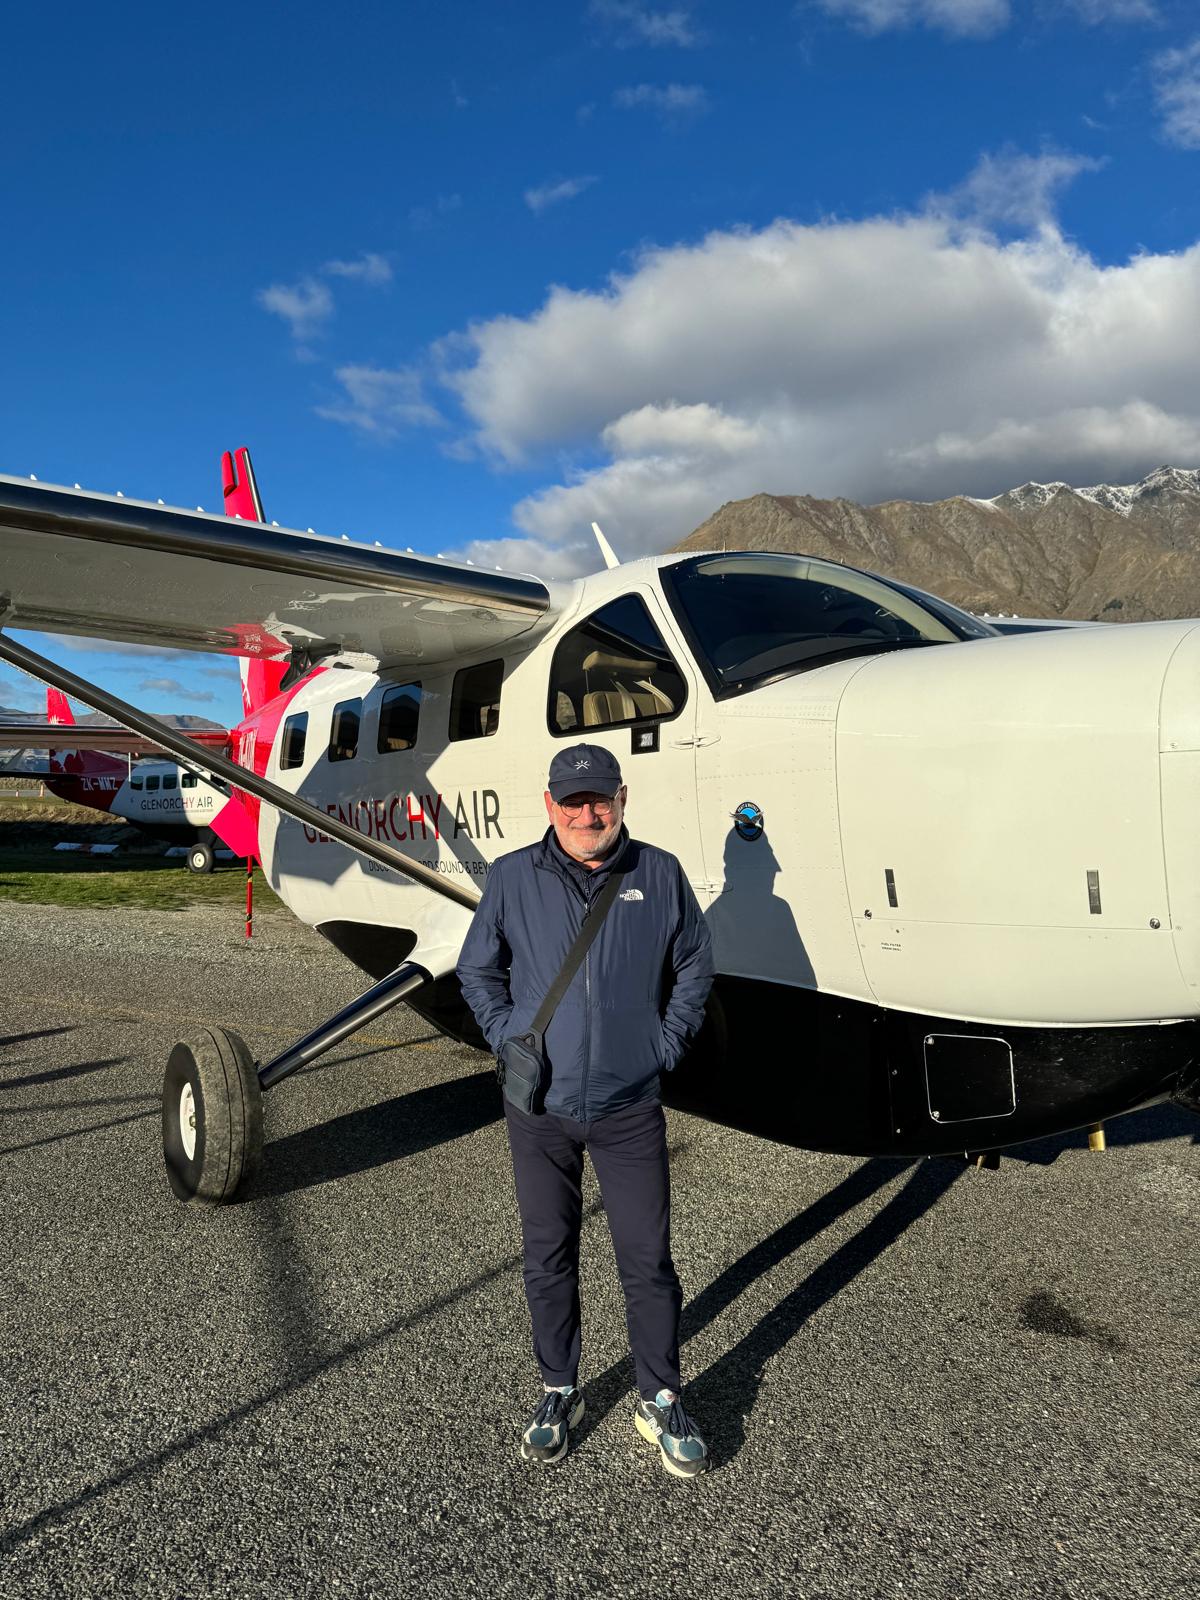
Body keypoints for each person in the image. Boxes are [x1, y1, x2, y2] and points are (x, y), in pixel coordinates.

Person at [457, 742, 715, 1477]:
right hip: (539, 1106)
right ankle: (558, 1388)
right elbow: (478, 967)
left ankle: (659, 1394)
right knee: (548, 1254)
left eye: (599, 799)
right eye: (571, 802)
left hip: (629, 1104)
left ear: (622, 798)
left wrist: (665, 1044)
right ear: (549, 806)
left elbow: (695, 960)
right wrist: (507, 1036)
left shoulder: (657, 873)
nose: (586, 813)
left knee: (647, 1259)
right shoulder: (511, 878)